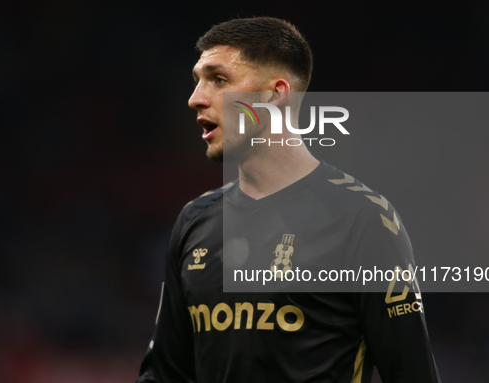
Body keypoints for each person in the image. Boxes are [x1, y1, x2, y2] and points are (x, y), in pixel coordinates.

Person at [136, 17, 441, 382]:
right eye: (197, 80)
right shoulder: (194, 221)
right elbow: (164, 375)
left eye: (219, 80)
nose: (195, 98)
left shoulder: (360, 218)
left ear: (275, 94)